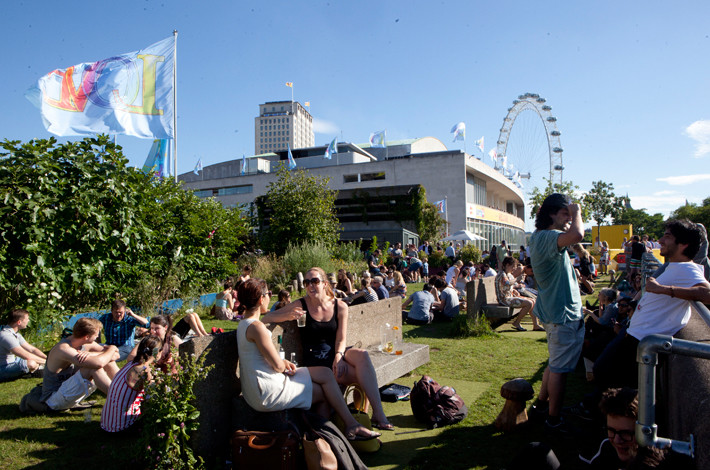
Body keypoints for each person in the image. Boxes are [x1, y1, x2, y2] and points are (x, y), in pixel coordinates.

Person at [262, 267, 394, 431]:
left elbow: (341, 338)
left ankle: (377, 414)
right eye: (307, 282)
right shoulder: (301, 304)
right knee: (363, 378)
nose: (310, 285)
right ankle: (358, 421)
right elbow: (268, 316)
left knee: (362, 355)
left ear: (324, 284)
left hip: (337, 354)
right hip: (316, 360)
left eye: (315, 281)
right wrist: (288, 316)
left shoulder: (340, 306)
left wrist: (339, 356)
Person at [594, 219, 710, 390]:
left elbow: (707, 293)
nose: (661, 241)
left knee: (609, 376)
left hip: (642, 340)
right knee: (606, 374)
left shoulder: (687, 268)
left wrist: (662, 288)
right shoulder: (675, 265)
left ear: (684, 244)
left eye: (667, 237)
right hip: (636, 335)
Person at [528, 193, 585, 434]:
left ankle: (541, 405)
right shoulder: (547, 237)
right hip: (562, 315)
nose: (569, 218)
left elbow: (574, 242)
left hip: (556, 312)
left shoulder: (543, 238)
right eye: (565, 214)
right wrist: (578, 212)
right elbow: (577, 235)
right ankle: (553, 419)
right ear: (552, 213)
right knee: (560, 370)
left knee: (554, 364)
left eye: (571, 215)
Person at [41, 318, 119, 411]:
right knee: (93, 368)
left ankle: (125, 389)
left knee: (108, 361)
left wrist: (93, 354)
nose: (98, 336)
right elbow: (99, 362)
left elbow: (116, 355)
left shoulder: (86, 344)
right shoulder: (63, 349)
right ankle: (120, 398)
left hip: (69, 391)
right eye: (96, 334)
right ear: (86, 337)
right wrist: (112, 348)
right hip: (53, 399)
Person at [100, 335, 160, 433]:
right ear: (157, 354)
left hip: (106, 424)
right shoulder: (144, 370)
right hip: (121, 428)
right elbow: (153, 395)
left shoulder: (132, 363)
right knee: (152, 399)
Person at [495, 257, 543, 332]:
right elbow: (507, 283)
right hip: (504, 300)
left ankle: (535, 325)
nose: (514, 268)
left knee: (533, 301)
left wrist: (513, 290)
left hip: (509, 297)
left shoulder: (507, 274)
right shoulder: (502, 274)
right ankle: (517, 322)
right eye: (513, 266)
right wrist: (517, 279)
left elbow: (507, 286)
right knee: (529, 303)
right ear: (507, 265)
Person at [0, 309, 46, 382]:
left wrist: (47, 358)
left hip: (13, 362)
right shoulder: (6, 336)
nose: (28, 321)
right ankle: (30, 371)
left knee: (34, 360)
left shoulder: (15, 334)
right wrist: (48, 362)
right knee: (31, 363)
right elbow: (26, 355)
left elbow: (31, 349)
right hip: (3, 368)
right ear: (19, 322)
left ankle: (33, 370)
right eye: (27, 319)